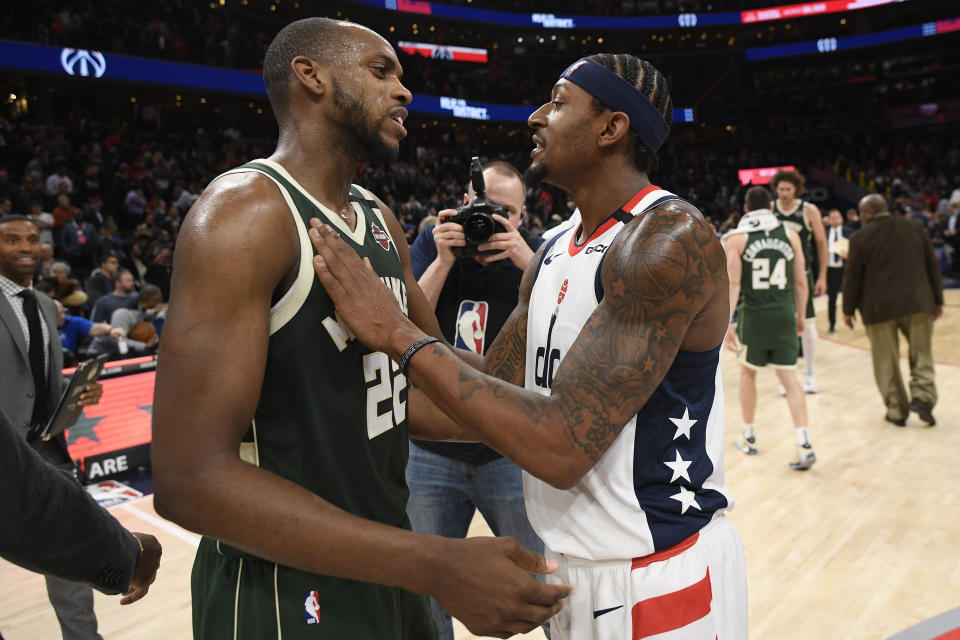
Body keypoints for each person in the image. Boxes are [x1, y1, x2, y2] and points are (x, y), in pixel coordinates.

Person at [150, 18, 569, 640]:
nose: (404, 91)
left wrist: (563, 407)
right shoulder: (246, 213)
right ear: (310, 77)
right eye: (381, 71)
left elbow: (426, 387)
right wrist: (436, 561)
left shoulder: (378, 218)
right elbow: (188, 482)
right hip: (282, 588)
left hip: (388, 566)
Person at [310, 52, 747, 639]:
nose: (536, 118)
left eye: (560, 103)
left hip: (657, 574)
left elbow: (560, 447)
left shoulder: (668, 239)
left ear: (611, 128)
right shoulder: (555, 245)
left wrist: (394, 331)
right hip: (573, 571)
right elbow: (491, 390)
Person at [406, 160, 547, 639]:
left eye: (504, 211)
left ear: (522, 216)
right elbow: (400, 323)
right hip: (429, 452)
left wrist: (530, 263)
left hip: (507, 450)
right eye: (482, 206)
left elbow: (568, 333)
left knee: (544, 579)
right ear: (466, 202)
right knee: (424, 589)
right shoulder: (433, 242)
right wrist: (443, 261)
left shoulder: (541, 257)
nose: (489, 220)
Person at [0, 214, 111, 640]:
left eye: (32, 239)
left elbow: (43, 381)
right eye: (12, 240)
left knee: (70, 556)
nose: (26, 247)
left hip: (47, 453)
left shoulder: (46, 306)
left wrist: (75, 394)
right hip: (4, 454)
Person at [0, 407, 162, 608]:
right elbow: (24, 500)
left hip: (50, 461)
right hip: (39, 484)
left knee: (72, 591)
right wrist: (131, 553)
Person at [723, 186, 816, 470]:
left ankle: (749, 436)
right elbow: (801, 282)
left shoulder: (736, 239)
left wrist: (727, 322)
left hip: (755, 315)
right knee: (789, 378)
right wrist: (801, 314)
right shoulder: (791, 235)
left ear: (747, 209)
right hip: (785, 313)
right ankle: (804, 443)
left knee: (748, 373)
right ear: (772, 208)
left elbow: (734, 284)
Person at [842, 194, 944, 427]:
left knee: (885, 361)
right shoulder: (915, 227)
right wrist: (937, 300)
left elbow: (852, 279)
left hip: (878, 309)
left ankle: (897, 411)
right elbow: (932, 266)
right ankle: (923, 397)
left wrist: (848, 310)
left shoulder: (859, 238)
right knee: (922, 353)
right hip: (917, 303)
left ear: (868, 213)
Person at [770, 169, 827, 393]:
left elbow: (821, 244)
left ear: (796, 189)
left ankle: (810, 375)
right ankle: (787, 377)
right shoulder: (770, 210)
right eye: (780, 189)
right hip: (777, 275)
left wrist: (822, 275)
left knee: (808, 323)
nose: (784, 193)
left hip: (803, 274)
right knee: (782, 326)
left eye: (788, 189)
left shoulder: (809, 210)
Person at [55, 299, 126, 362]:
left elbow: (95, 327)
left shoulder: (70, 321)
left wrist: (112, 330)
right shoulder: (45, 328)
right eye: (58, 314)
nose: (62, 316)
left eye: (63, 312)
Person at [823, 208, 852, 333]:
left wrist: (850, 255)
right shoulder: (824, 234)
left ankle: (856, 318)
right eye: (832, 217)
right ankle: (832, 324)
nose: (835, 219)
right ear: (828, 220)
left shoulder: (849, 232)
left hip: (846, 269)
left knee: (852, 295)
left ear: (841, 218)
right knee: (832, 298)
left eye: (837, 217)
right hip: (831, 270)